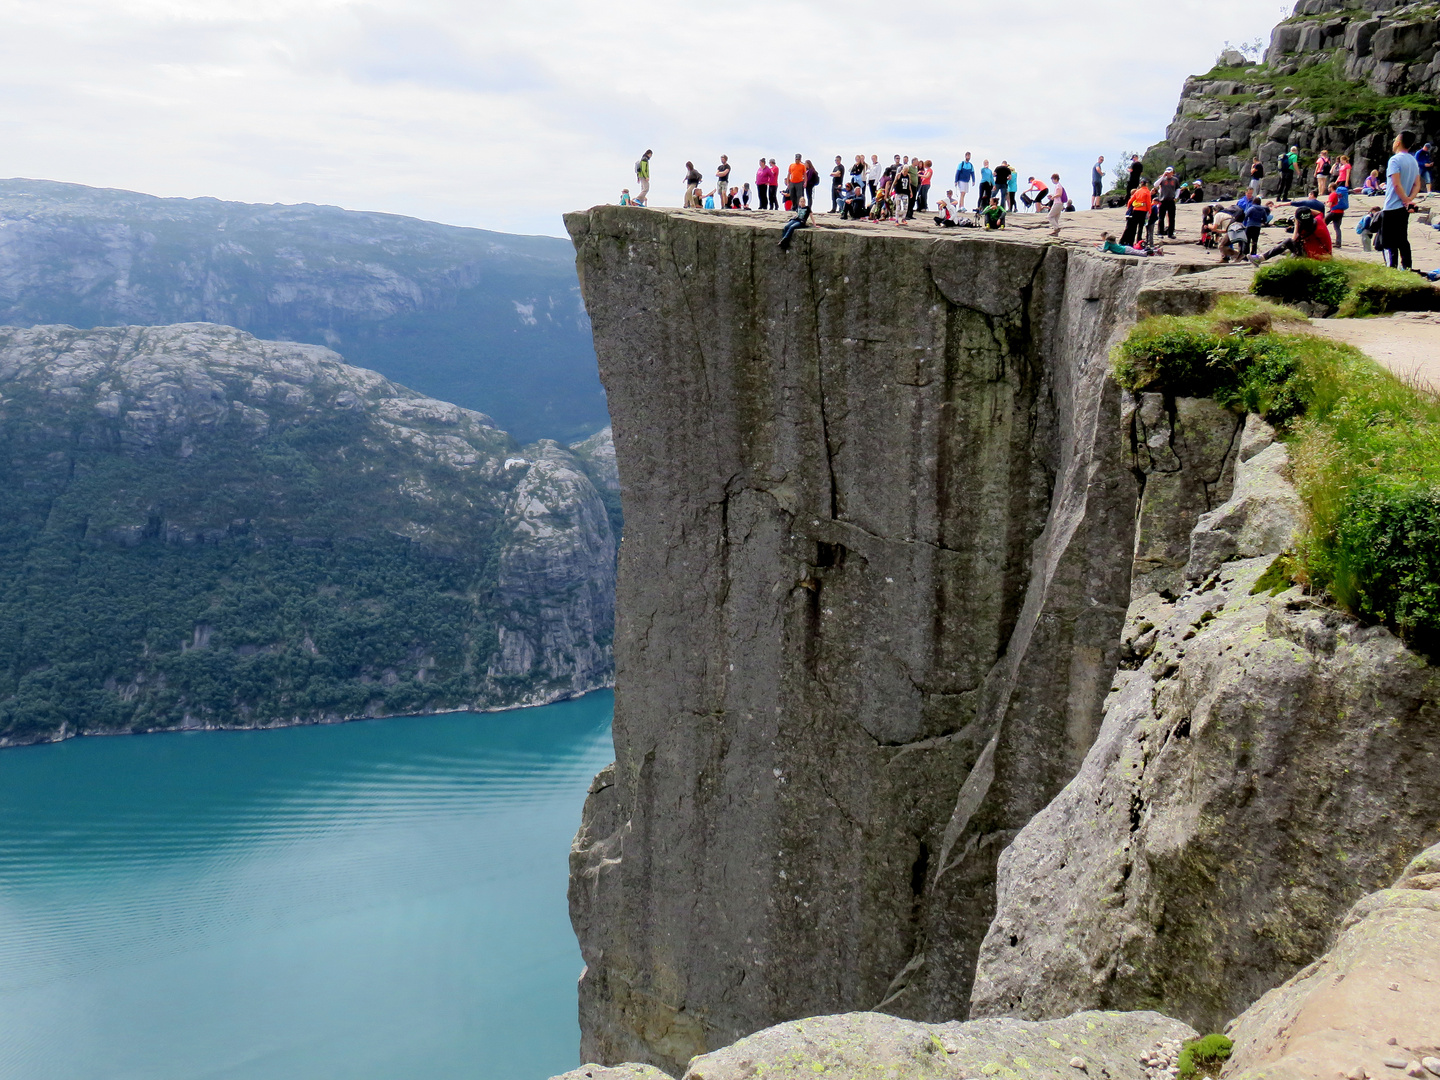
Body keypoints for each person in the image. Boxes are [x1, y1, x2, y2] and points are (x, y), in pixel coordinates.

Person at [1380, 129, 1421, 270]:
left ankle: (1391, 269)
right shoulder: (1413, 160)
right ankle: (1407, 268)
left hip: (1392, 206)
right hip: (1404, 208)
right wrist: (1409, 200)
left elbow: (1396, 184)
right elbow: (1417, 184)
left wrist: (1405, 199)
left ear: (1398, 142)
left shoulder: (1394, 160)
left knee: (1388, 242)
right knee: (1402, 239)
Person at [1251, 205, 1332, 264]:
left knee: (1288, 242)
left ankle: (1260, 258)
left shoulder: (1312, 230)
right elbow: (1319, 213)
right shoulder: (1318, 220)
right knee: (1286, 256)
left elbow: (1293, 240)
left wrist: (1296, 225)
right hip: (1318, 254)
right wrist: (1303, 211)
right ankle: (1261, 258)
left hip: (1316, 258)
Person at [1120, 178, 1152, 247]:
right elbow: (1148, 203)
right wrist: (1149, 211)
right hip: (1143, 211)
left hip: (1136, 210)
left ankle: (1130, 242)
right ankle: (1138, 241)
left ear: (1140, 184)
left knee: (1133, 227)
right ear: (1146, 184)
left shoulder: (1137, 191)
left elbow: (1130, 201)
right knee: (1140, 227)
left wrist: (1129, 208)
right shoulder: (1147, 192)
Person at [1155, 167, 1180, 238]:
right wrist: (1163, 176)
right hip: (1163, 200)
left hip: (1171, 200)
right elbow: (1155, 185)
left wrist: (1176, 197)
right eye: (1167, 172)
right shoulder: (1162, 179)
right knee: (1161, 217)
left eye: (1170, 172)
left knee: (1171, 218)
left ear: (1172, 173)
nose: (1168, 174)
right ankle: (1160, 232)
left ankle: (1171, 233)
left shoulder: (1175, 180)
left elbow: (1178, 188)